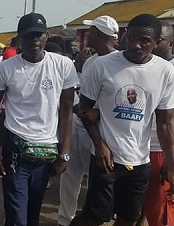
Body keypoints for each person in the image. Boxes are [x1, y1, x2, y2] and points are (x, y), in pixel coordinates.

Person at [71, 14, 174, 226]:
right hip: (105, 158)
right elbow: (84, 109)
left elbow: (164, 123)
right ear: (125, 36)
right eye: (132, 38)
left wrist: (172, 164)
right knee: (95, 216)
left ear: (155, 43)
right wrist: (100, 146)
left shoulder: (165, 72)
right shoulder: (102, 65)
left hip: (140, 160)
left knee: (129, 218)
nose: (136, 45)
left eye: (145, 41)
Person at [0, 13, 78, 226]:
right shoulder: (5, 69)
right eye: (28, 36)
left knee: (33, 212)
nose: (34, 41)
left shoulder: (63, 65)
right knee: (17, 214)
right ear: (19, 39)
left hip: (47, 150)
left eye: (38, 35)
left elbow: (66, 112)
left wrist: (65, 153)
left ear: (46, 36)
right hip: (15, 149)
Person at [57, 15, 119, 226]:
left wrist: (98, 113)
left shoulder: (121, 63)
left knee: (97, 184)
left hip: (101, 134)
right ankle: (65, 220)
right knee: (70, 177)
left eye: (91, 31)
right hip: (78, 126)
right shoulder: (92, 61)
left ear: (101, 35)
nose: (87, 36)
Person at [138, 22, 174, 226]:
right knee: (139, 206)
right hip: (135, 149)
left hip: (160, 149)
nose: (151, 43)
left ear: (170, 43)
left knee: (160, 207)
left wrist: (171, 158)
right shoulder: (141, 66)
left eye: (158, 40)